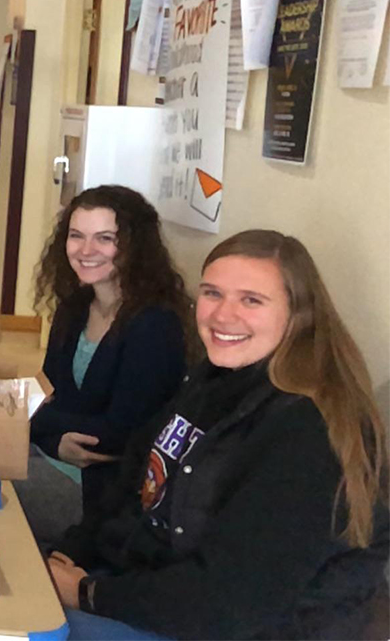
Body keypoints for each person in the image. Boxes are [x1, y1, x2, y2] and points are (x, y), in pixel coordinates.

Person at [45, 230, 389, 640]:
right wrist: (69, 554)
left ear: (299, 314)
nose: (223, 316)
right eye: (212, 294)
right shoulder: (213, 380)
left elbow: (229, 603)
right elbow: (129, 488)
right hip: (154, 589)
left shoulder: (310, 433)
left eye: (251, 300)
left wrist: (87, 594)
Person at [26, 186, 192, 523]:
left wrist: (32, 418)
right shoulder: (74, 309)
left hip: (106, 494)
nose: (86, 250)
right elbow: (47, 396)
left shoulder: (155, 325)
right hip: (56, 457)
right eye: (76, 236)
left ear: (135, 247)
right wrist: (50, 434)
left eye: (105, 238)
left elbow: (118, 435)